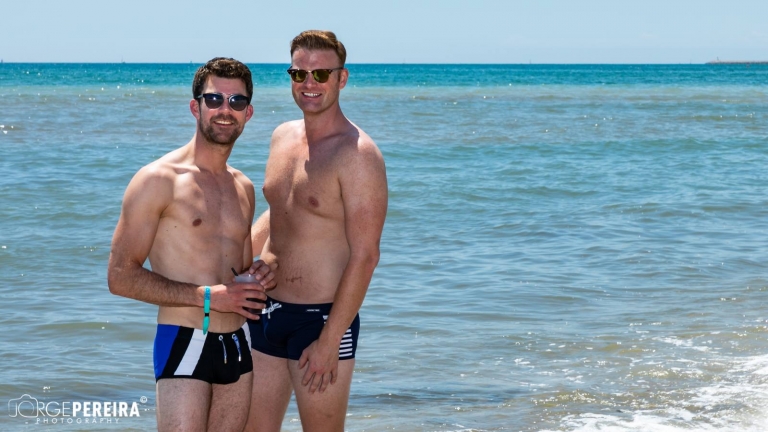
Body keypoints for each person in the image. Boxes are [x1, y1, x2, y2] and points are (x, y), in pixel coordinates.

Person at [107, 57, 275, 432]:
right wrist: (207, 297)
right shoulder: (157, 180)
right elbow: (120, 276)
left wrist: (257, 274)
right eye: (214, 99)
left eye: (236, 101)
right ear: (195, 107)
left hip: (239, 343)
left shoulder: (244, 187)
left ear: (248, 113)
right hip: (185, 340)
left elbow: (236, 273)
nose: (224, 110)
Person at [244, 30, 388, 432]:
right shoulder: (281, 137)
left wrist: (330, 340)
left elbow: (366, 255)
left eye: (321, 74)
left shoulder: (357, 154)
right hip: (264, 310)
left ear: (342, 78)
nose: (309, 83)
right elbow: (280, 212)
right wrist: (239, 266)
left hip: (321, 320)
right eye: (299, 73)